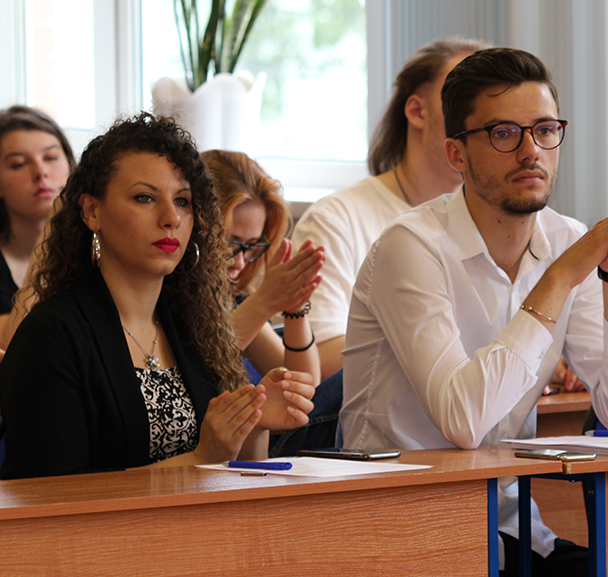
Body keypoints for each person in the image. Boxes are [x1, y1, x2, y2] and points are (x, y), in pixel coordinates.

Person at [339, 48, 608, 577]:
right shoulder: (412, 247)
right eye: (505, 133)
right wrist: (559, 278)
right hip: (403, 535)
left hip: (512, 528)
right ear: (456, 154)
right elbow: (463, 420)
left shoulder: (567, 240)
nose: (531, 150)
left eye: (545, 130)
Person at [0, 114, 315, 480]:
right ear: (91, 211)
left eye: (182, 201)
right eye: (145, 198)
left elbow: (230, 477)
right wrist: (201, 456)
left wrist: (253, 422)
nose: (171, 218)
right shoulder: (52, 335)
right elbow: (54, 495)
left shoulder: (194, 327)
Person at [292, 37, 488, 377]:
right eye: (464, 100)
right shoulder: (336, 220)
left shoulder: (499, 222)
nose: (482, 118)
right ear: (417, 111)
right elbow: (320, 358)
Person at [202, 149, 325, 385]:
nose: (239, 262)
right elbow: (194, 370)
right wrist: (264, 301)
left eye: (251, 246)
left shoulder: (232, 299)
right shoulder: (164, 298)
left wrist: (295, 309)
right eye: (229, 244)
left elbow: (305, 386)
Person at [0, 106, 75, 345]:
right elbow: (13, 342)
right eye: (18, 164)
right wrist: (50, 232)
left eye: (51, 158)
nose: (41, 172)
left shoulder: (96, 249)